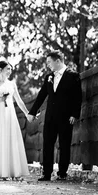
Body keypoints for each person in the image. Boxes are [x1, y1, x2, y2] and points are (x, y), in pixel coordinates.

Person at [27, 51, 82, 181]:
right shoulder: (48, 77)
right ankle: (46, 173)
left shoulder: (73, 75)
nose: (48, 65)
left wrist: (75, 114)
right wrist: (32, 112)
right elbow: (41, 96)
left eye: (49, 62)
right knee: (47, 144)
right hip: (50, 117)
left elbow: (77, 97)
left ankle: (62, 173)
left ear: (58, 61)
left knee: (64, 144)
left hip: (66, 117)